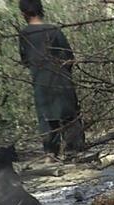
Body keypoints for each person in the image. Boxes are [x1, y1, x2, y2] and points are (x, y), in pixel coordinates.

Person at [18, 0, 84, 156]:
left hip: (40, 82)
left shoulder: (24, 34)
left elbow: (25, 59)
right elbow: (69, 56)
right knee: (70, 115)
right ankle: (75, 151)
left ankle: (50, 153)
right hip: (62, 80)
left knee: (46, 117)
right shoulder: (54, 30)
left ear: (24, 13)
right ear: (41, 10)